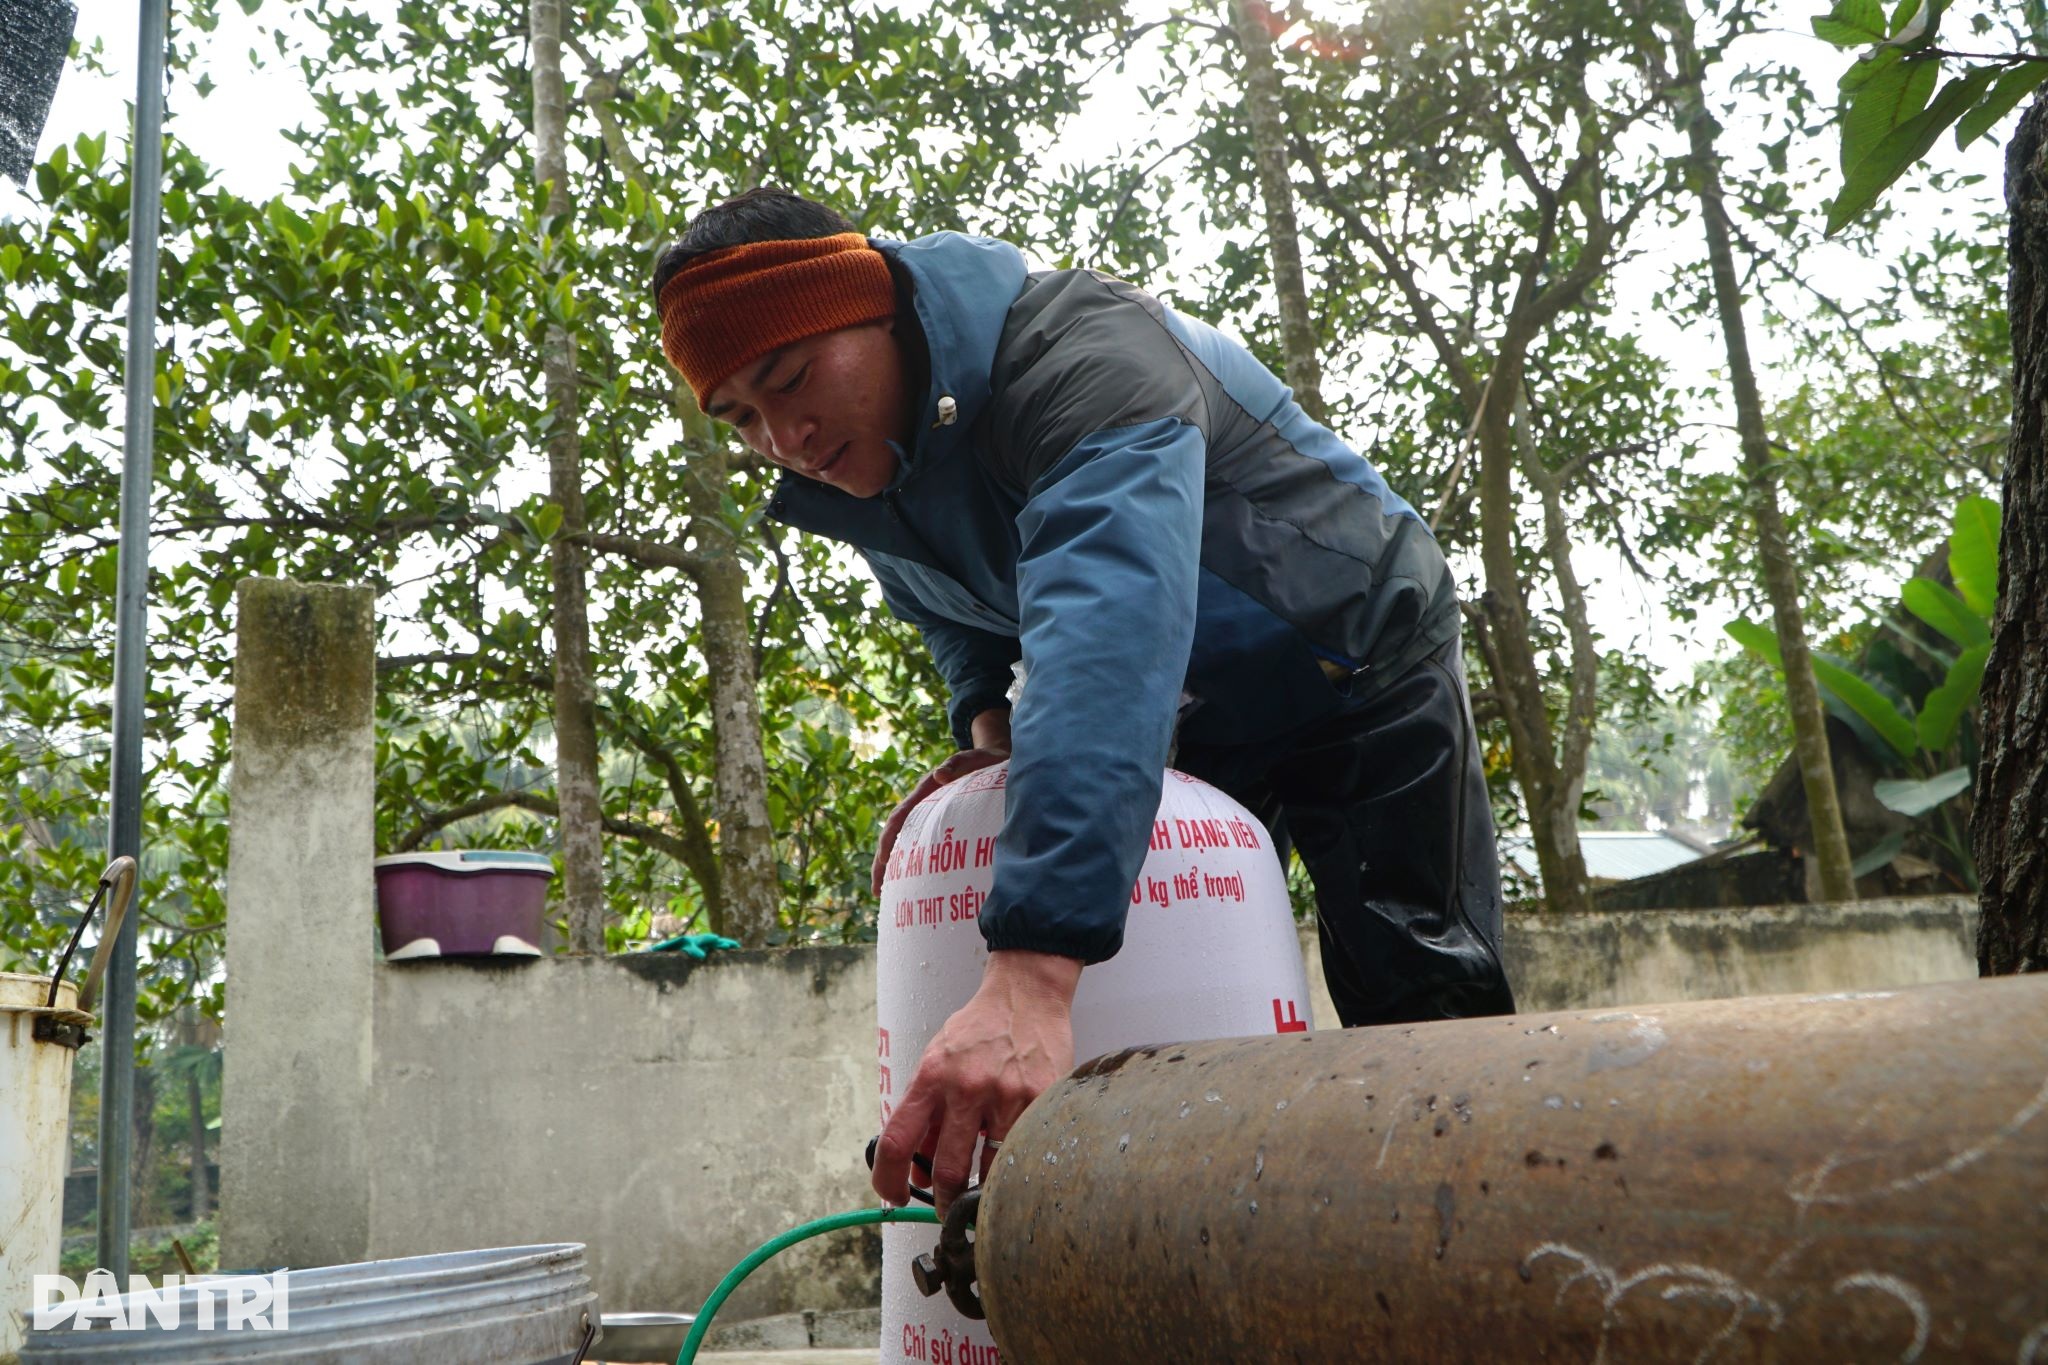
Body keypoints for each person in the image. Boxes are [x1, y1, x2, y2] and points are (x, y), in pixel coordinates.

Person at [651, 187, 1516, 1214]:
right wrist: (989, 731)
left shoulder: (1079, 357)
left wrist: (1026, 973)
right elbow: (960, 611)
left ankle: (1476, 1250)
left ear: (878, 305)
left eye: (791, 377)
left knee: (1416, 998)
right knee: (1171, 1014)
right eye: (739, 416)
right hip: (1190, 709)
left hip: (1350, 650)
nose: (783, 435)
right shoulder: (873, 465)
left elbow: (1106, 616)